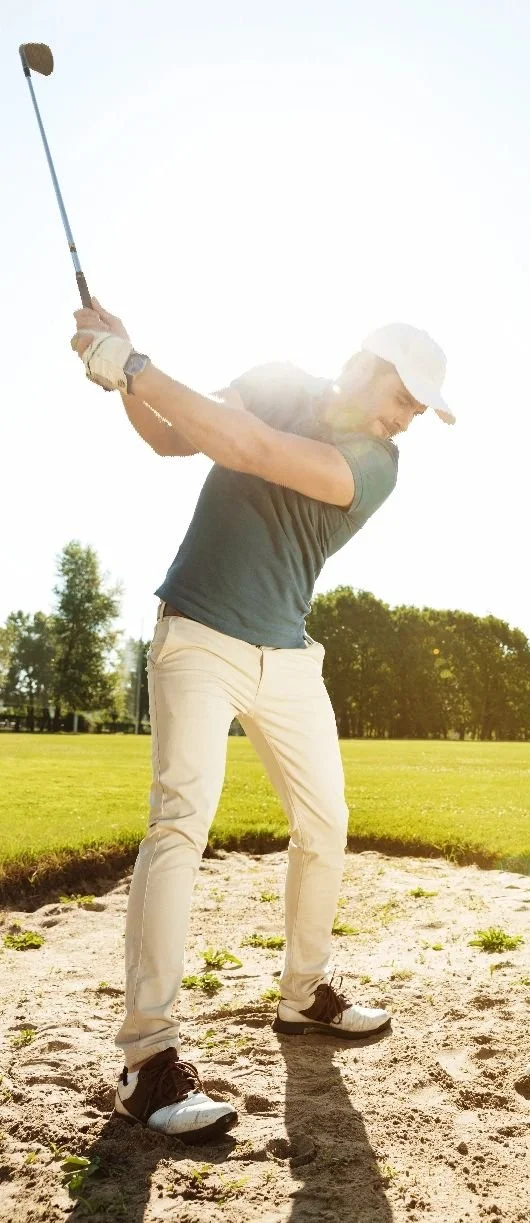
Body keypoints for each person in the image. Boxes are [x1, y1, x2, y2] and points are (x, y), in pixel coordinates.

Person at [70, 300, 454, 1142]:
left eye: (419, 410)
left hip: (287, 654)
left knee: (326, 822)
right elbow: (172, 435)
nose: (406, 419)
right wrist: (121, 371)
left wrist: (131, 364)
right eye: (403, 397)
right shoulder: (275, 382)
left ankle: (303, 994)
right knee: (180, 824)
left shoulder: (378, 462)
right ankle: (146, 1060)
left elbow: (252, 450)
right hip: (199, 636)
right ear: (366, 365)